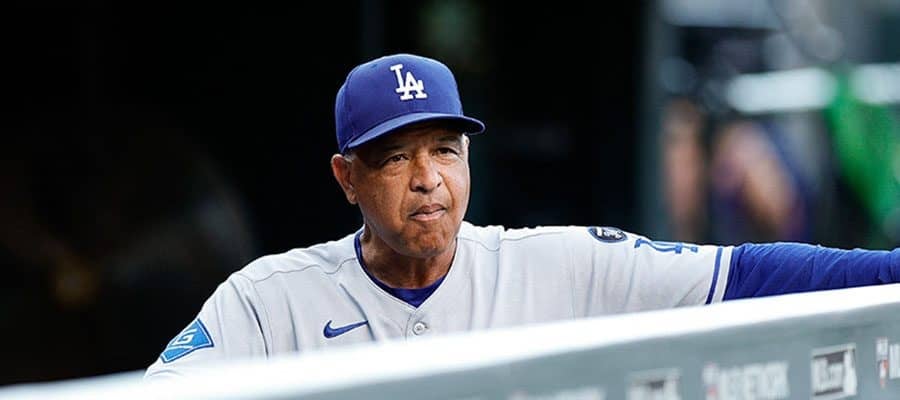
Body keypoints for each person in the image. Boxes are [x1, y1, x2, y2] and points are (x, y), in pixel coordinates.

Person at [144, 53, 900, 379]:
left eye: (445, 150)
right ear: (347, 178)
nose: (427, 179)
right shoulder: (268, 299)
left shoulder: (553, 264)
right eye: (395, 157)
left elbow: (746, 275)